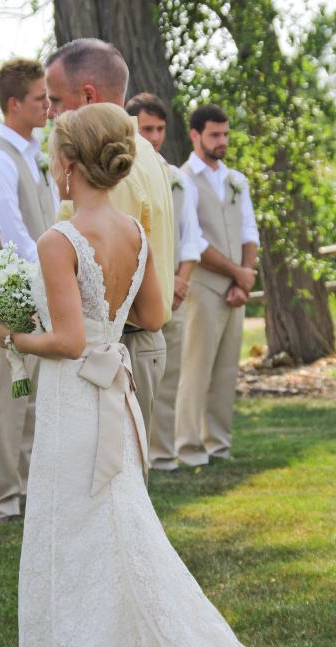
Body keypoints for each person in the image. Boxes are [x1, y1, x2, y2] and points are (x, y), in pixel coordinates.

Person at [0, 102, 336, 647]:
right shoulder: (133, 230)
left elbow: (70, 340)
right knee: (112, 526)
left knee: (74, 533)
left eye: (54, 156)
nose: (51, 166)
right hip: (114, 394)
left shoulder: (58, 240)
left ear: (69, 166)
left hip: (77, 401)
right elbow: (155, 312)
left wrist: (12, 334)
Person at [45, 38, 174, 447]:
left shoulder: (109, 173)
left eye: (55, 99)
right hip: (138, 341)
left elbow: (103, 281)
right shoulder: (146, 154)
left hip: (115, 351)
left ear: (87, 96)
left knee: (105, 485)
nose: (49, 112)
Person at [0, 58, 56, 522]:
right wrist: (50, 274)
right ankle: (0, 499)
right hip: (14, 289)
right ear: (13, 104)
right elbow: (13, 232)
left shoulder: (35, 153)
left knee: (35, 398)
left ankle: (27, 488)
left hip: (44, 286)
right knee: (8, 398)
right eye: (40, 98)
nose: (48, 105)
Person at [177, 105, 259, 466]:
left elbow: (249, 232)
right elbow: (193, 240)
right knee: (196, 370)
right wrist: (237, 273)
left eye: (225, 134)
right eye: (214, 134)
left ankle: (219, 445)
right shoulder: (183, 180)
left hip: (234, 290)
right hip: (203, 287)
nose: (222, 141)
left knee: (227, 371)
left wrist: (246, 277)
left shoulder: (236, 180)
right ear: (195, 135)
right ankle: (189, 448)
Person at [126, 92, 202, 471]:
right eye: (146, 129)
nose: (153, 136)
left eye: (158, 129)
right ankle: (138, 452)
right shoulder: (124, 177)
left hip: (175, 290)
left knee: (170, 377)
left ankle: (163, 452)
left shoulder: (177, 179)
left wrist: (181, 280)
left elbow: (192, 238)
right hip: (140, 296)